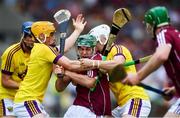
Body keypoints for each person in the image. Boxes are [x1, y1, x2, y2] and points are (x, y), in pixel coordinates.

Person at [13, 15, 87, 118]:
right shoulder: (44, 49)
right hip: (27, 100)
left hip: (31, 101)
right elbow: (70, 64)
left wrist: (77, 31)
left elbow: (65, 47)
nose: (54, 37)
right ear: (42, 37)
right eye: (51, 34)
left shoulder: (41, 48)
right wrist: (95, 64)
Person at [80, 24, 151, 117]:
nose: (93, 47)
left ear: (102, 40)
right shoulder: (102, 59)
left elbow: (118, 63)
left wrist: (94, 63)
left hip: (135, 99)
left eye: (94, 43)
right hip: (121, 105)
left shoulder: (117, 49)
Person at [122, 6, 180, 117]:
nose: (147, 29)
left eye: (148, 25)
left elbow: (161, 55)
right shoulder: (175, 34)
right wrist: (174, 89)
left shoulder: (164, 33)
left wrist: (138, 76)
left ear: (153, 24)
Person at [55, 34, 111, 117]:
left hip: (91, 111)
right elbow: (59, 88)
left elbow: (90, 83)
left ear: (94, 49)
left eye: (87, 49)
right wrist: (60, 76)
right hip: (82, 110)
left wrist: (67, 72)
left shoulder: (97, 59)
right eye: (81, 49)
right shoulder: (75, 64)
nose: (84, 53)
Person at [0, 21, 33, 117]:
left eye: (34, 36)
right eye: (29, 36)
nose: (32, 39)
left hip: (25, 97)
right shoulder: (11, 53)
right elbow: (5, 81)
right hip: (7, 96)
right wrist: (25, 86)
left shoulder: (38, 52)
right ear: (23, 36)